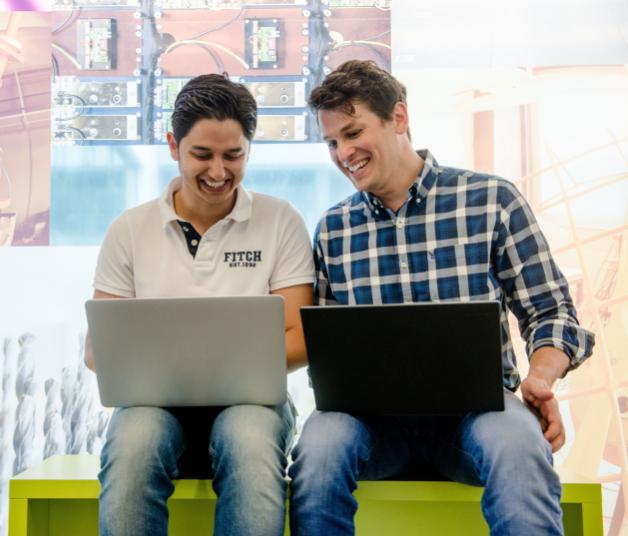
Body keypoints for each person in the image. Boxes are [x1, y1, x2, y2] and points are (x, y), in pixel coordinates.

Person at [288, 60, 595, 536]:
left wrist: (541, 376)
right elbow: (330, 353)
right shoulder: (333, 229)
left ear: (399, 118)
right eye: (332, 142)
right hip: (373, 429)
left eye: (353, 133)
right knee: (319, 447)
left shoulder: (491, 199)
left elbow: (552, 312)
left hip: (479, 417)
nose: (343, 152)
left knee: (518, 446)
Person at [86, 73, 314, 536]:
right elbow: (98, 350)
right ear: (173, 146)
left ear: (249, 149)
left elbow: (300, 337)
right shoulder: (129, 229)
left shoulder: (280, 221)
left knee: (249, 440)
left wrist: (214, 370)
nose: (217, 171)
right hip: (152, 408)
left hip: (252, 405)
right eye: (202, 155)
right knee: (133, 444)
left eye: (233, 156)